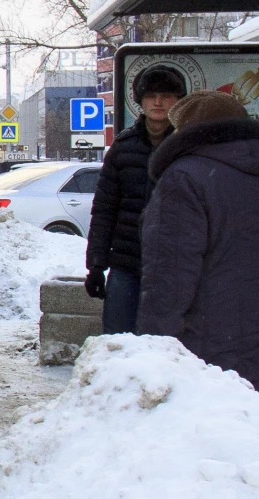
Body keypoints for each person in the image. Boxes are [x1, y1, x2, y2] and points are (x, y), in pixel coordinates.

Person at [135, 90, 259, 422]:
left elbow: (169, 275)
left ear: (187, 132)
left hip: (210, 338)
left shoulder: (183, 179)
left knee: (217, 451)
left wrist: (154, 350)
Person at [84, 65, 187, 334]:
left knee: (171, 349)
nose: (158, 102)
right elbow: (104, 209)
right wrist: (96, 265)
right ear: (140, 101)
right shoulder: (123, 147)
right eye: (151, 95)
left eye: (166, 95)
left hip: (175, 267)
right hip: (126, 265)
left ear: (178, 100)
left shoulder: (189, 147)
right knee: (118, 344)